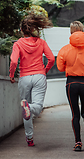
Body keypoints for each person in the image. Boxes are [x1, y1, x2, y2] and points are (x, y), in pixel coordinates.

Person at [9, 14, 55, 147]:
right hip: (39, 76)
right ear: (34, 28)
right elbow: (51, 59)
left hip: (24, 77)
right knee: (37, 107)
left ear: (22, 30)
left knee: (26, 109)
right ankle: (30, 107)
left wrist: (12, 75)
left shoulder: (18, 44)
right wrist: (44, 70)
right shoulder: (41, 42)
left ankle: (29, 139)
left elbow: (13, 61)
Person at [56, 21, 84, 151]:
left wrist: (68, 67)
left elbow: (59, 67)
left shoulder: (65, 49)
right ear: (83, 30)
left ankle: (78, 143)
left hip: (71, 83)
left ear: (71, 32)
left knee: (74, 114)